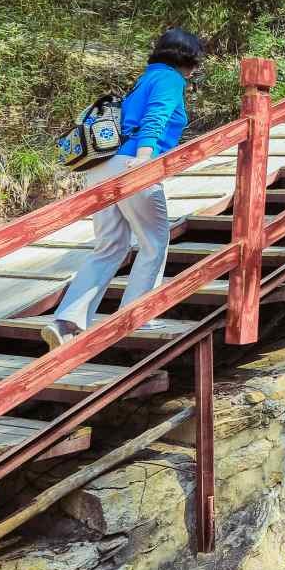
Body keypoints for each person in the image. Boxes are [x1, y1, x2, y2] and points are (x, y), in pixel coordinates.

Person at [41, 28, 205, 349]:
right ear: (188, 58)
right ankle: (137, 314)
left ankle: (68, 321)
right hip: (133, 163)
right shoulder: (170, 79)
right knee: (154, 241)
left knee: (110, 245)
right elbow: (156, 118)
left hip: (102, 166)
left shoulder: (145, 78)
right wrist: (145, 157)